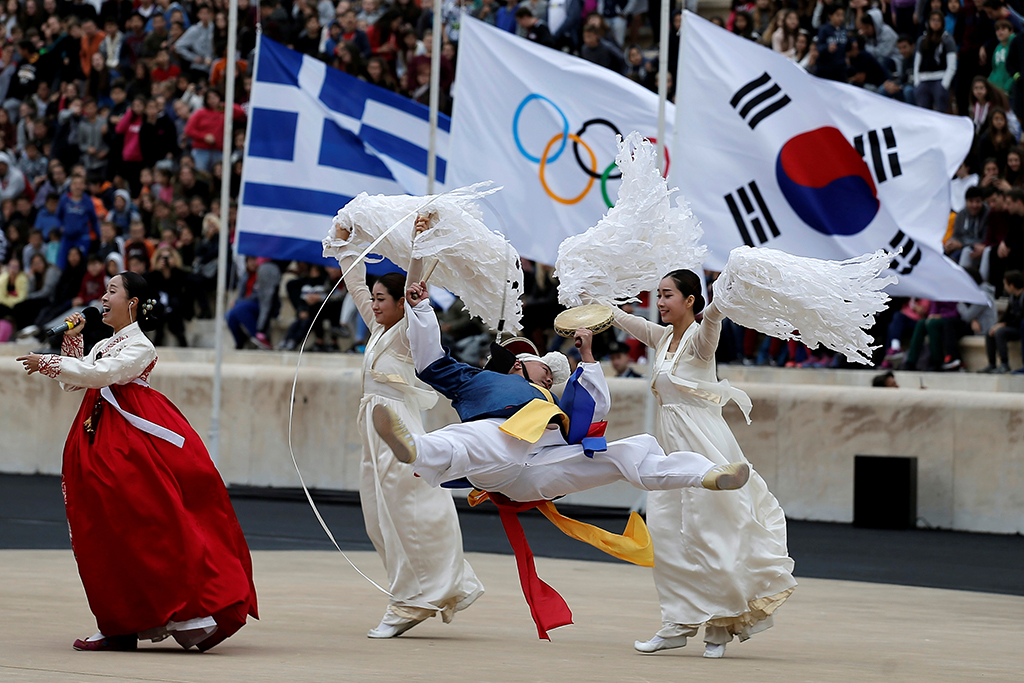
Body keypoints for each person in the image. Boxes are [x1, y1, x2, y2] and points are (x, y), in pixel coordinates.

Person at [16, 272, 258, 651]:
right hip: (99, 435)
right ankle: (117, 622)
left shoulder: (140, 346)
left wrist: (49, 361)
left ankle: (154, 613)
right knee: (100, 529)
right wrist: (73, 341)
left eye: (112, 290)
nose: (103, 296)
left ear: (132, 303)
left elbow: (103, 375)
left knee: (141, 524)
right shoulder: (106, 343)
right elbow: (76, 380)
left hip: (129, 443)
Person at [375, 280, 750, 505]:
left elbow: (597, 410)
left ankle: (708, 474)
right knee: (473, 437)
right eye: (520, 359)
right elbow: (430, 362)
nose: (524, 363)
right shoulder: (476, 380)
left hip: (545, 467)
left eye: (535, 362)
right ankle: (416, 448)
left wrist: (586, 356)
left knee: (630, 450)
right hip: (498, 456)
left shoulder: (556, 397)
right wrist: (422, 307)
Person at [608, 270, 795, 659]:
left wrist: (720, 298)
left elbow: (711, 320)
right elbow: (626, 320)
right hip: (672, 453)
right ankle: (676, 623)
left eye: (668, 295)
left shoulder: (700, 337)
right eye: (658, 295)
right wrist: (593, 299)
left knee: (714, 532)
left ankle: (719, 626)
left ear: (690, 300)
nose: (660, 302)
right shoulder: (662, 339)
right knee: (667, 533)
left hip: (706, 448)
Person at [330, 216, 484, 639]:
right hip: (372, 425)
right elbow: (356, 285)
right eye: (375, 299)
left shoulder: (404, 334)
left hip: (397, 423)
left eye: (384, 299)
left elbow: (415, 285)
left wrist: (420, 241)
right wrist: (345, 246)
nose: (375, 304)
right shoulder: (379, 329)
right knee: (377, 516)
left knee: (410, 506)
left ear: (401, 304)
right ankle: (427, 589)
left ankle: (413, 598)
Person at [980, 269, 1024, 372]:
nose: (1004, 287)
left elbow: (1020, 318)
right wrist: (997, 324)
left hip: (1020, 328)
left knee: (1000, 332)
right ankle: (992, 364)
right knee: (990, 333)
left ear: (1012, 285)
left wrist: (1003, 325)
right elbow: (1007, 314)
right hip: (1013, 326)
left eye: (1005, 284)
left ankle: (1004, 363)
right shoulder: (1013, 297)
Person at [914, 11, 957, 112]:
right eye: (933, 20)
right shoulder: (922, 40)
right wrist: (917, 82)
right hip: (923, 79)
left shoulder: (947, 40)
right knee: (923, 112)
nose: (935, 23)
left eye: (938, 20)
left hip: (939, 79)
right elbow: (916, 63)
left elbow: (952, 65)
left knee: (941, 112)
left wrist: (945, 83)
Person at [56, 174, 100, 269]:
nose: (78, 186)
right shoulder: (64, 200)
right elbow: (58, 216)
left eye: (80, 184)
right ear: (71, 186)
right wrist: (61, 227)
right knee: (61, 264)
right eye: (75, 184)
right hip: (67, 237)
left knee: (81, 264)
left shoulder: (88, 201)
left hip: (82, 237)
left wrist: (99, 236)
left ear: (84, 186)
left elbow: (94, 220)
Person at [815, 4, 849, 82]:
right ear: (830, 15)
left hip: (840, 69)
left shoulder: (844, 30)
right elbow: (819, 47)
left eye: (842, 15)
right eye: (838, 15)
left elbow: (847, 46)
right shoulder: (824, 29)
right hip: (825, 69)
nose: (841, 18)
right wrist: (827, 48)